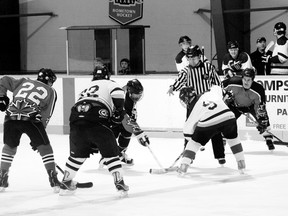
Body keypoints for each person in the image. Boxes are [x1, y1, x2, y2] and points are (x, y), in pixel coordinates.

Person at [59, 65, 130, 196]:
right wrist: (120, 110)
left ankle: (66, 181)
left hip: (75, 117)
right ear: (107, 76)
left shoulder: (87, 87)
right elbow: (118, 93)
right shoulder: (110, 83)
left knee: (77, 155)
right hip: (97, 114)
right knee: (111, 153)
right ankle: (119, 183)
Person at [0, 68, 60, 192]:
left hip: (10, 116)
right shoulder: (51, 91)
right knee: (45, 148)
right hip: (31, 118)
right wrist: (38, 139)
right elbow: (46, 115)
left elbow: (4, 79)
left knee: (9, 147)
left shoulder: (23, 81)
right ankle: (54, 180)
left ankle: (1, 178)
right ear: (50, 81)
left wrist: (1, 96)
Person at [168, 45, 226, 165]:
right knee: (189, 128)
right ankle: (187, 155)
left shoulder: (208, 67)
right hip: (193, 104)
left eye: (194, 58)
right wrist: (173, 87)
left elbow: (217, 83)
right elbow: (179, 81)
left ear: (199, 57)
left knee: (215, 128)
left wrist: (221, 95)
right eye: (189, 58)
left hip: (208, 103)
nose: (191, 61)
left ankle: (220, 155)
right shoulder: (186, 70)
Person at [176, 85, 246, 174]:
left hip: (210, 121)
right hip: (229, 116)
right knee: (233, 139)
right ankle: (241, 163)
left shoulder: (193, 108)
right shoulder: (210, 93)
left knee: (194, 143)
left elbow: (187, 131)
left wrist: (193, 139)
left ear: (186, 98)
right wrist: (225, 94)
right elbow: (217, 87)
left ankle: (184, 166)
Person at [99, 78, 149, 167]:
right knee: (113, 138)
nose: (137, 97)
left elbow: (129, 117)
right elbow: (126, 118)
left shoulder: (129, 95)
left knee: (126, 136)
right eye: (136, 95)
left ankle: (119, 155)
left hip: (122, 119)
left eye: (139, 95)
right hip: (114, 120)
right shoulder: (123, 98)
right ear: (129, 92)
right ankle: (107, 157)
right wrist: (139, 133)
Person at [222, 68, 275, 151]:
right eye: (244, 79)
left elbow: (260, 107)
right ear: (242, 78)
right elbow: (219, 87)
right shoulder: (233, 82)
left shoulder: (258, 89)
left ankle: (268, 138)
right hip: (234, 105)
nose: (246, 82)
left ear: (252, 80)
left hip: (251, 106)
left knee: (263, 120)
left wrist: (261, 122)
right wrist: (224, 96)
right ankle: (223, 140)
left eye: (248, 80)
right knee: (226, 121)